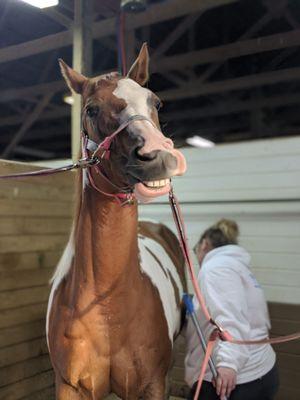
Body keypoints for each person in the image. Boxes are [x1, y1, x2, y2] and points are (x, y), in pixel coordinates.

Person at [185, 219, 279, 400]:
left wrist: (228, 364)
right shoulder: (236, 267)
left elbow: (231, 318)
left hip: (233, 382)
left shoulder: (215, 268)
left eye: (195, 249)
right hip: (262, 371)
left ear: (204, 244)